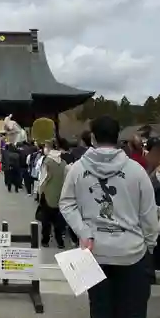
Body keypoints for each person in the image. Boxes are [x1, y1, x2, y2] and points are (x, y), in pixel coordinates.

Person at [59, 115, 158, 318]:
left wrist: (84, 232)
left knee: (100, 310)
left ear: (93, 138)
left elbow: (66, 203)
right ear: (117, 137)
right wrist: (148, 244)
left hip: (94, 252)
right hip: (133, 253)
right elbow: (149, 214)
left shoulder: (77, 169)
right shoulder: (136, 171)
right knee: (132, 311)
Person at [38, 141, 66, 249]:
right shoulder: (63, 162)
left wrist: (39, 192)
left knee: (46, 220)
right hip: (60, 195)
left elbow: (43, 178)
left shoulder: (47, 161)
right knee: (58, 221)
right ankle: (60, 242)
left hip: (47, 194)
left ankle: (45, 240)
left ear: (49, 149)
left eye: (45, 147)